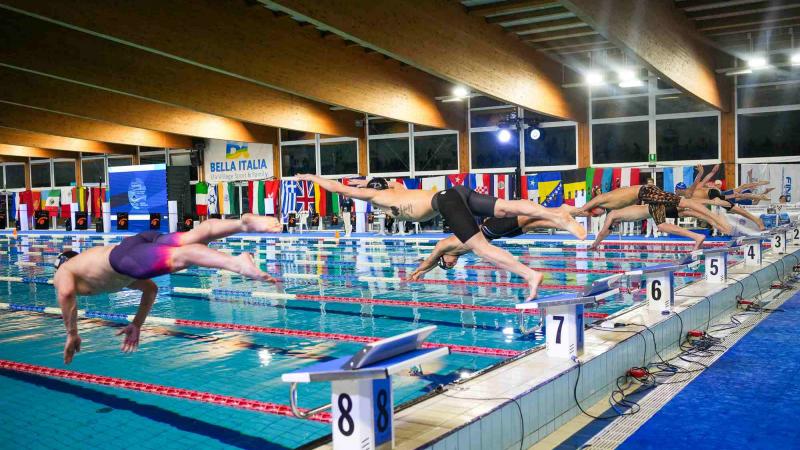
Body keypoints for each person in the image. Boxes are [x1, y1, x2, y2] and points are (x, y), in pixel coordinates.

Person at [298, 173, 587, 300]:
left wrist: (312, 179)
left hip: (446, 202)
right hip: (454, 192)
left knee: (482, 248)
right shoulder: (394, 187)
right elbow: (380, 181)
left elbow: (339, 189)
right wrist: (420, 271)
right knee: (505, 207)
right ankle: (556, 214)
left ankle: (529, 275)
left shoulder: (378, 195)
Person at [53, 214, 282, 364]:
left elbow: (65, 294)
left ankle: (238, 262)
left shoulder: (64, 271)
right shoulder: (94, 269)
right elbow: (150, 290)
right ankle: (243, 223)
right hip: (132, 247)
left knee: (180, 257)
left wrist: (72, 333)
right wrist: (137, 323)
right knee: (193, 236)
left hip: (123, 257)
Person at [408, 216, 556, 280]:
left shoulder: (443, 245)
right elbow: (434, 263)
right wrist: (423, 272)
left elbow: (430, 261)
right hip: (496, 233)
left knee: (529, 218)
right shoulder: (458, 251)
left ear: (443, 256)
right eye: (450, 267)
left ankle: (560, 214)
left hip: (490, 228)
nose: (451, 265)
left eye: (447, 264)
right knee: (534, 224)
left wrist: (417, 271)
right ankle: (560, 219)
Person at [577, 182, 733, 235]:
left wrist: (567, 213)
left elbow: (580, 209)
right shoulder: (609, 207)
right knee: (678, 214)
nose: (597, 216)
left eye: (595, 215)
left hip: (647, 193)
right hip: (650, 202)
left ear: (593, 208)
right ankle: (714, 224)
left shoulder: (599, 200)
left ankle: (717, 217)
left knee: (685, 203)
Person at [678, 164, 766, 231]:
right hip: (714, 195)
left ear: (681, 190)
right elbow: (705, 179)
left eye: (676, 190)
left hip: (713, 195)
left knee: (735, 207)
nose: (675, 191)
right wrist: (713, 172)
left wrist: (701, 172)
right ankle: (756, 219)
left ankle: (757, 220)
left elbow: (697, 181)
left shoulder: (688, 193)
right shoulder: (693, 190)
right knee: (734, 207)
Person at [588, 205, 706, 251]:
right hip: (652, 210)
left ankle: (697, 236)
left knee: (663, 226)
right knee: (686, 211)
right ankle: (702, 227)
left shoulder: (612, 213)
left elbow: (603, 232)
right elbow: (607, 232)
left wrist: (595, 244)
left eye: (595, 212)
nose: (596, 215)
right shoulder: (615, 212)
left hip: (652, 209)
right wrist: (596, 244)